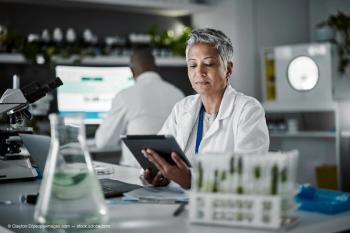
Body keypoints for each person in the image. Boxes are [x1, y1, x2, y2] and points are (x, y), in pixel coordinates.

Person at [142, 28, 269, 189]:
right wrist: (157, 174)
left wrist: (192, 180)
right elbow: (158, 155)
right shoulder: (183, 108)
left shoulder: (248, 110)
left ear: (228, 69)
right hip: (179, 203)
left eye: (208, 64)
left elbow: (248, 175)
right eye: (192, 65)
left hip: (223, 208)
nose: (199, 72)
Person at [95, 48, 184, 167]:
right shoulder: (178, 94)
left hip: (135, 174)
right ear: (156, 68)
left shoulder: (125, 96)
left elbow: (102, 142)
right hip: (172, 173)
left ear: (131, 71)